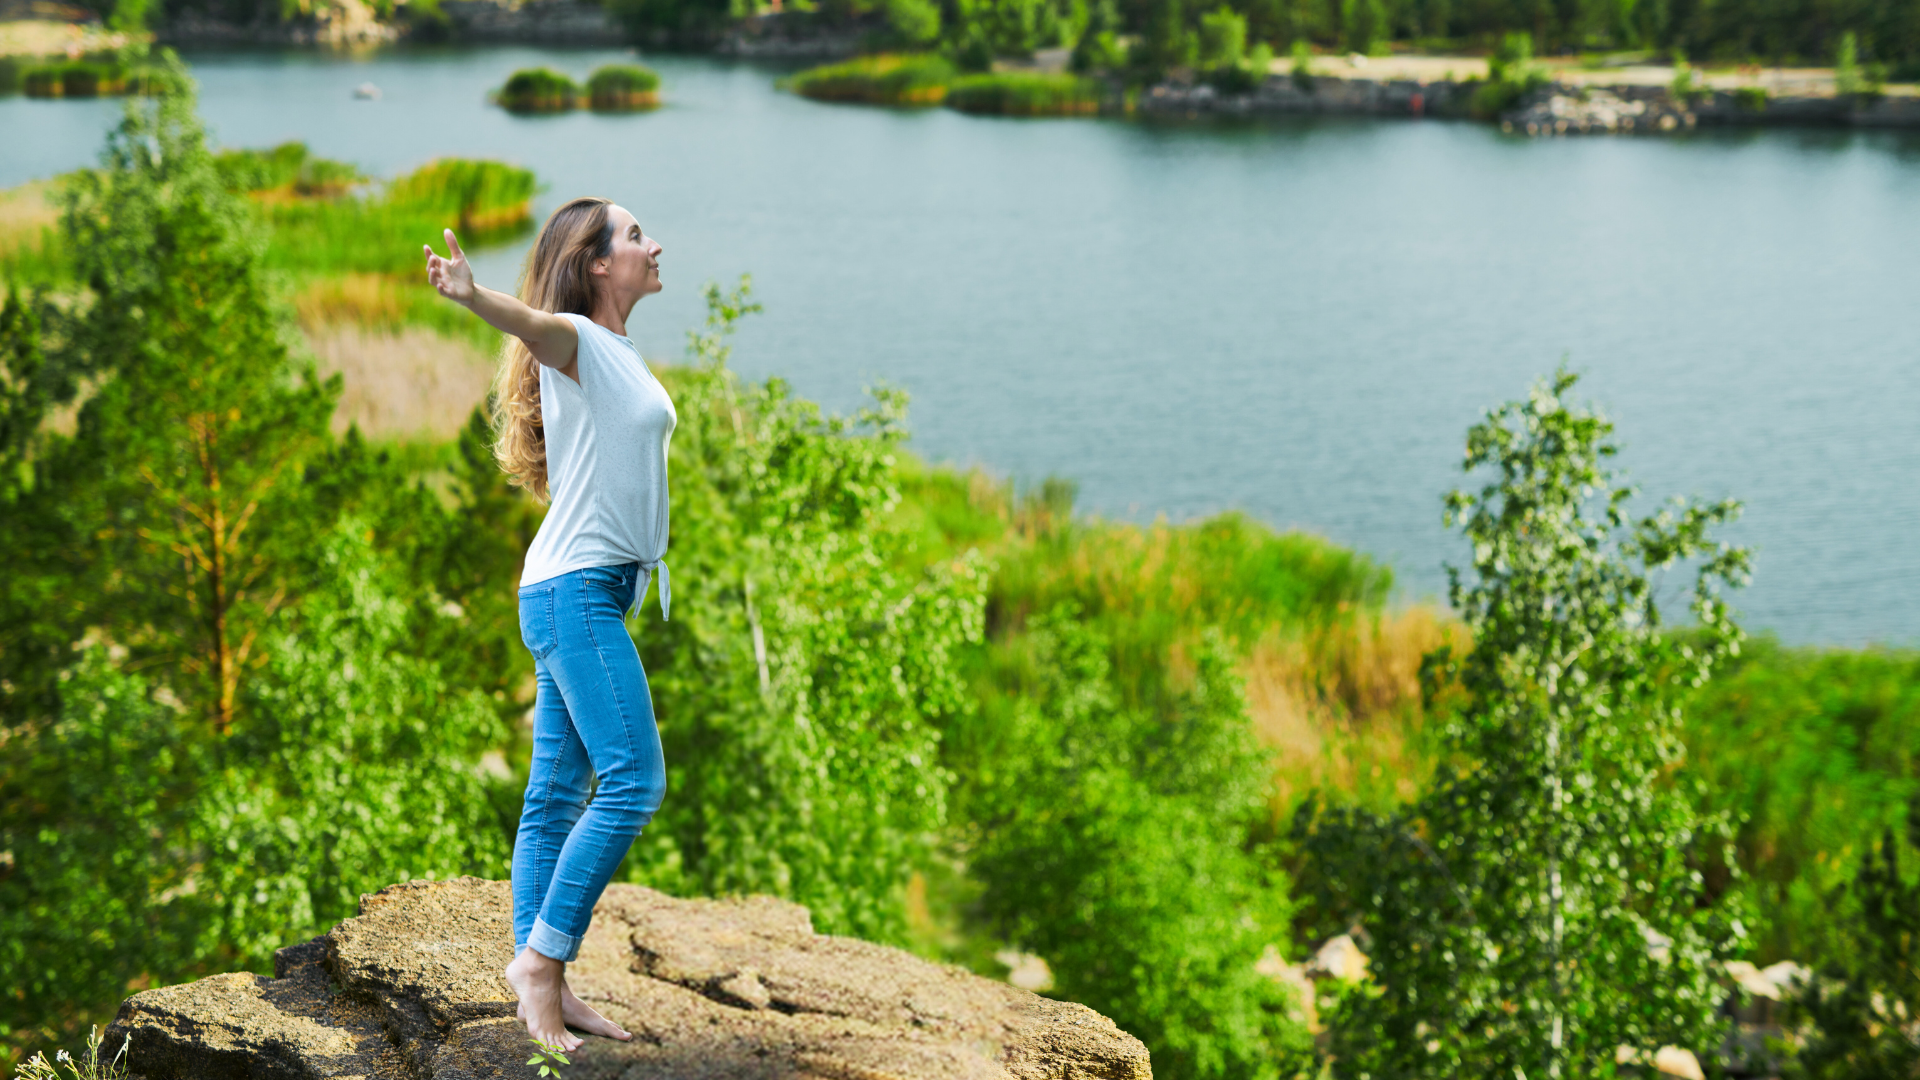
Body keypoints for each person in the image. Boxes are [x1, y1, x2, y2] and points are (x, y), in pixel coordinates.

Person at [423, 197, 673, 1051]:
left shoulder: (615, 355)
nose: (654, 244)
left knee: (556, 795)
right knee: (635, 779)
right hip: (576, 593)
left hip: (572, 589)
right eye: (637, 235)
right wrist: (471, 294)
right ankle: (540, 960)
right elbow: (532, 322)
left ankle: (544, 984)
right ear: (598, 263)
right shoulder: (577, 337)